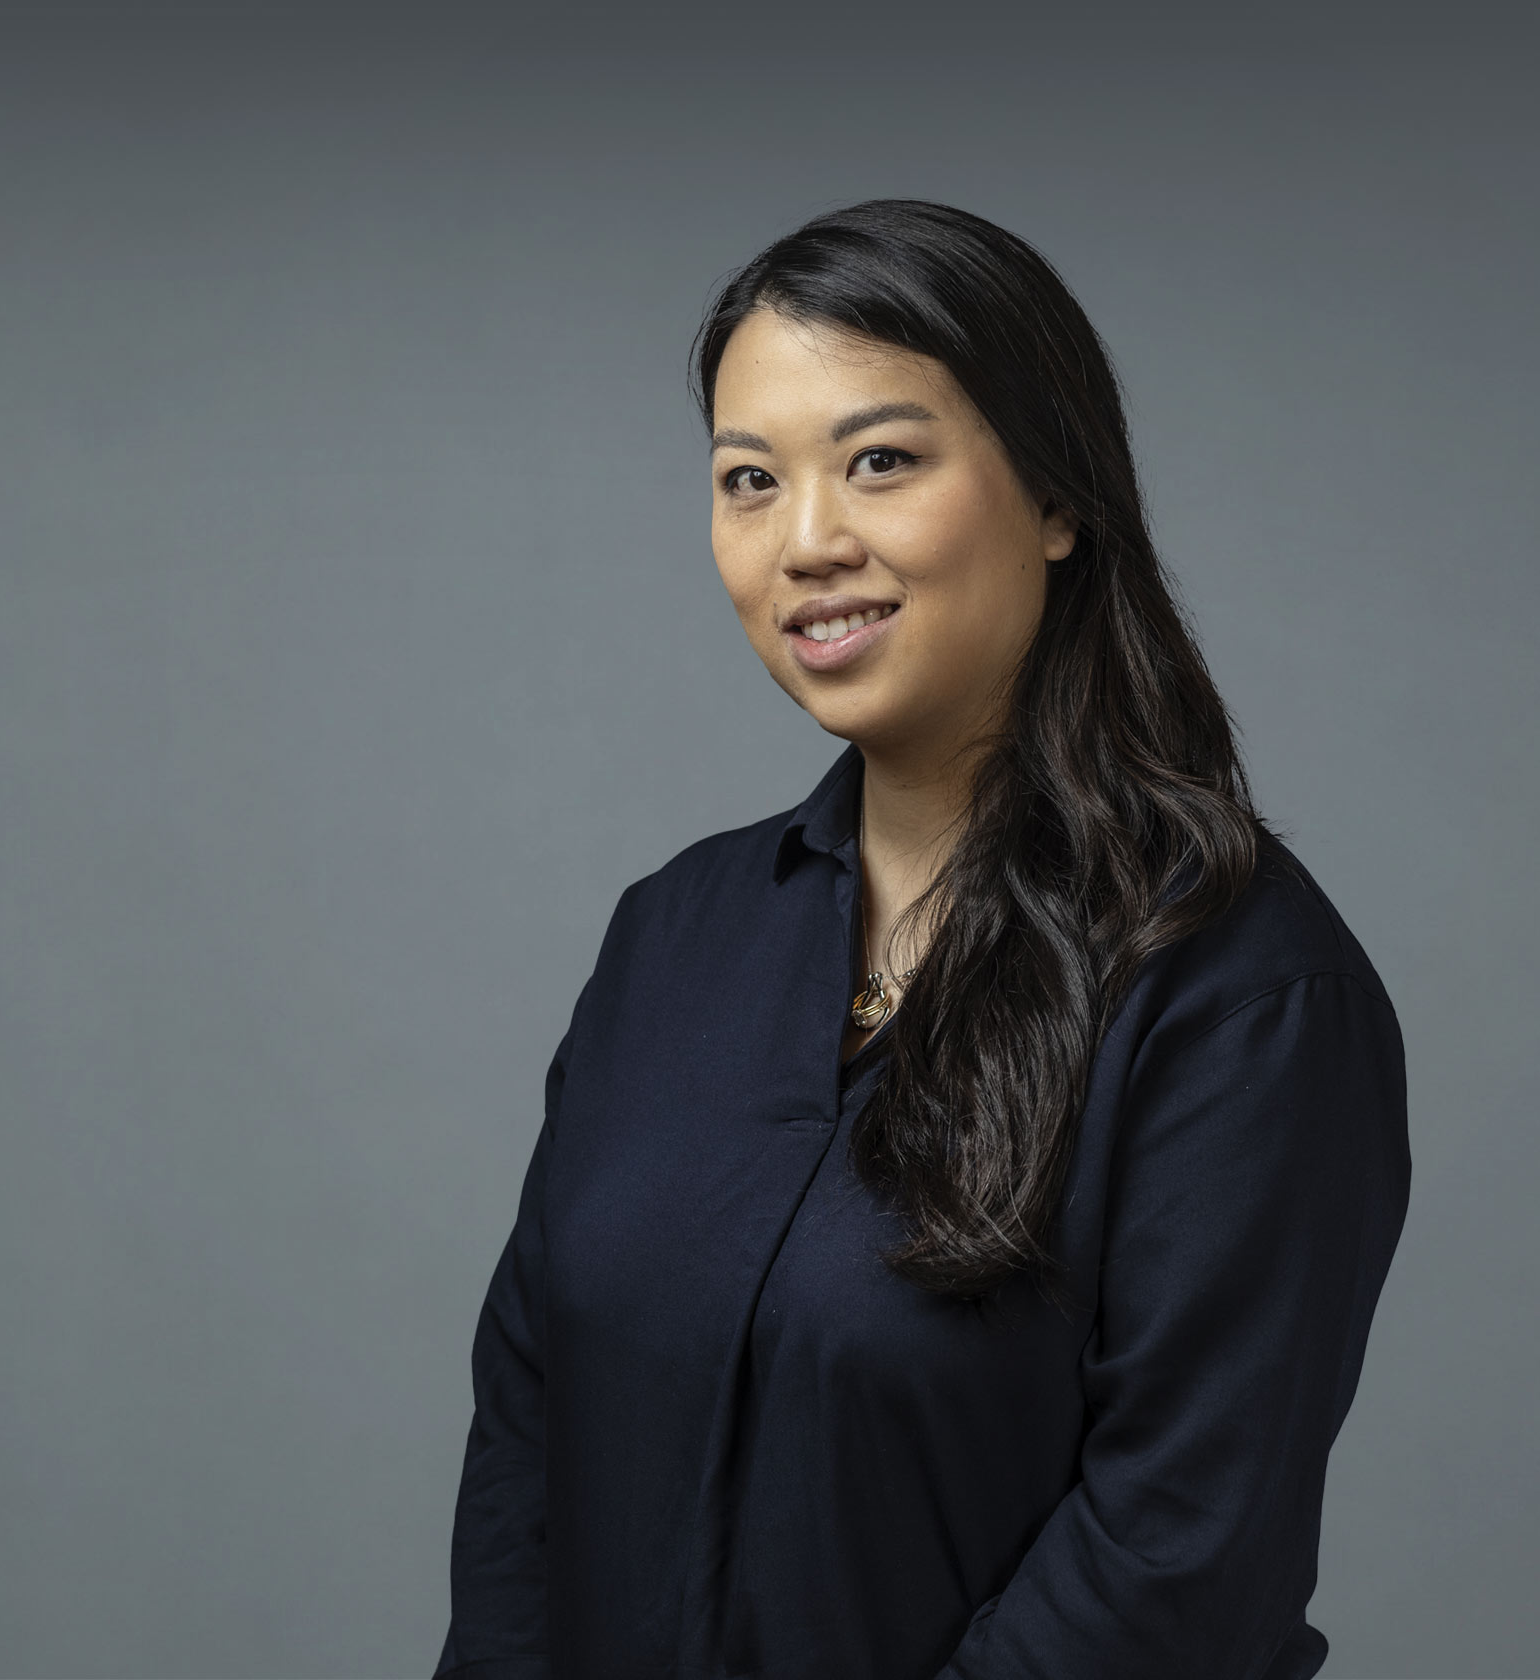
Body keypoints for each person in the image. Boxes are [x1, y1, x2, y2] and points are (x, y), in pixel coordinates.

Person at [432, 200, 1412, 1680]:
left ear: (1056, 496)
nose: (807, 542)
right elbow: (529, 1423)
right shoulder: (673, 940)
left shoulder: (1243, 996)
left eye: (881, 460)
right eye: (749, 480)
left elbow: (1176, 1564)